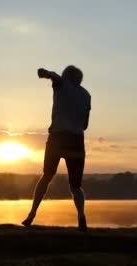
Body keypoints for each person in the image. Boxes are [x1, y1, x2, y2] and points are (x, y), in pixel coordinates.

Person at [22, 65, 91, 231]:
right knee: (76, 186)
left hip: (58, 138)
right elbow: (85, 125)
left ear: (67, 76)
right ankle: (81, 218)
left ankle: (31, 215)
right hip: (76, 139)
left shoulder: (62, 84)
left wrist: (45, 74)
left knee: (46, 176)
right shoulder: (86, 95)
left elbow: (55, 77)